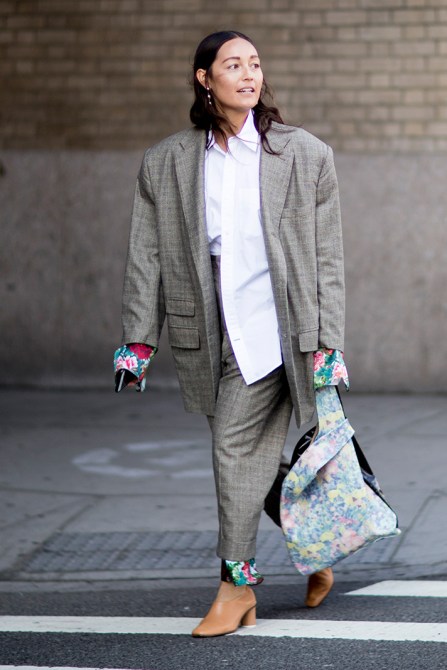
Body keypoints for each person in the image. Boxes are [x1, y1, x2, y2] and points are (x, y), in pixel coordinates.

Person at [114, 30, 348, 638]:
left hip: (278, 327)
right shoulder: (167, 160)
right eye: (233, 65)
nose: (248, 74)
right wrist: (139, 340)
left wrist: (328, 342)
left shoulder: (304, 154)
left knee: (232, 451)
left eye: (255, 64)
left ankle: (236, 585)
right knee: (250, 459)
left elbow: (327, 257)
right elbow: (147, 254)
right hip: (209, 330)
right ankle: (319, 549)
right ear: (204, 78)